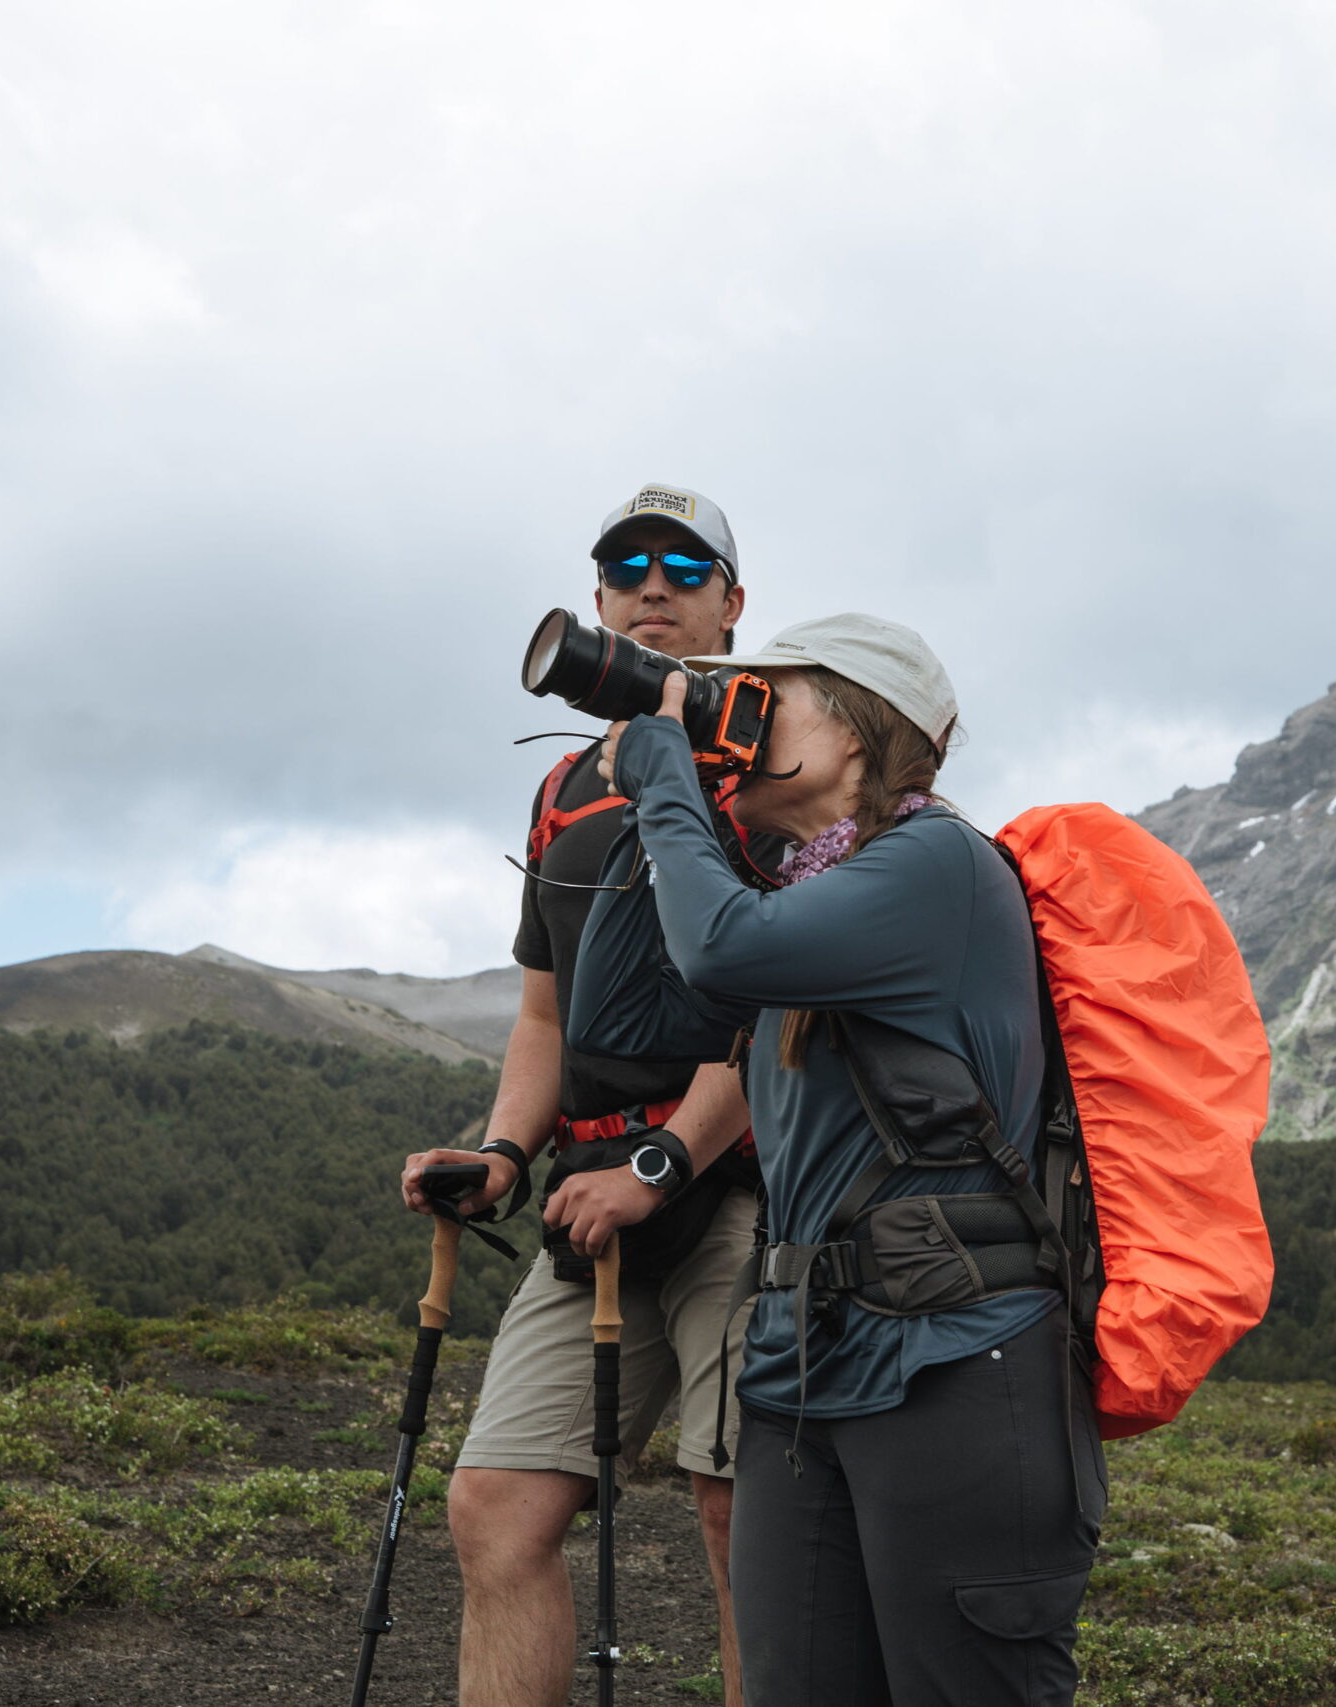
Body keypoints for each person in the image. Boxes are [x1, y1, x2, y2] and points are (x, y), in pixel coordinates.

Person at [565, 615, 1105, 1707]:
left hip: (954, 1359)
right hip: (804, 1367)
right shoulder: (807, 903)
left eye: (764, 698)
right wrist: (656, 795)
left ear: (856, 730)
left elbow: (720, 946)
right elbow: (618, 1015)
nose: (735, 720)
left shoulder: (935, 865)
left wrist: (674, 776)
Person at [400, 484, 765, 1707]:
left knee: (740, 1520)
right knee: (497, 1506)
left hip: (745, 1190)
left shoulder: (773, 764)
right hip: (587, 1197)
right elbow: (545, 1018)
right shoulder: (564, 791)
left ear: (732, 603)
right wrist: (502, 1157)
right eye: (624, 569)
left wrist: (664, 1161)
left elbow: (787, 1009)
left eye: (682, 566)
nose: (649, 588)